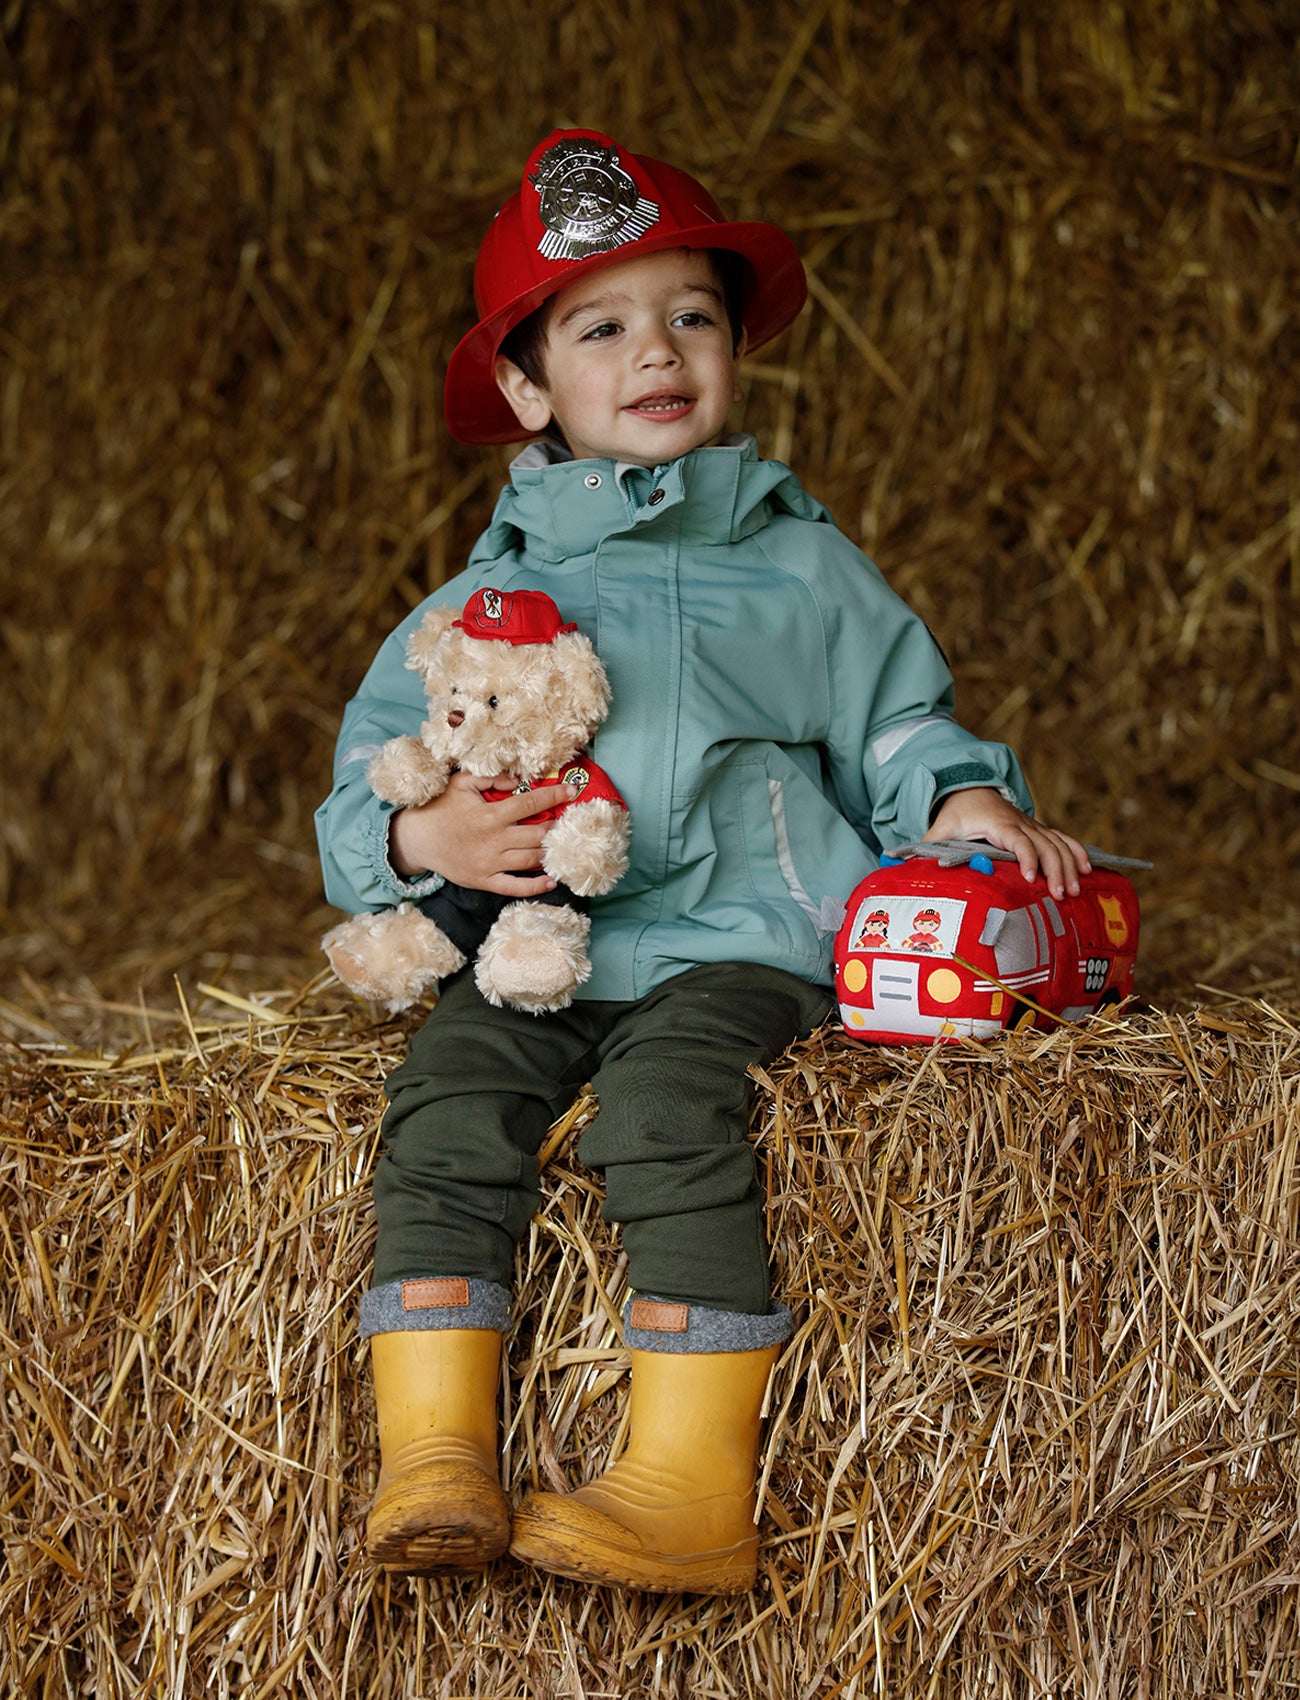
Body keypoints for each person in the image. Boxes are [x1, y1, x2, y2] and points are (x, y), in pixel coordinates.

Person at [315, 128, 1091, 1594]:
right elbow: (364, 795)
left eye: (692, 317)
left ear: (735, 353)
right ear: (529, 389)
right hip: (544, 951)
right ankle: (435, 1459)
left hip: (745, 936)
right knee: (444, 1104)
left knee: (665, 1113)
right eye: (602, 327)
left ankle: (688, 1485)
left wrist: (962, 805)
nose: (657, 352)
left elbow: (897, 719)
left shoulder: (805, 568)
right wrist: (427, 839)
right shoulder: (485, 600)